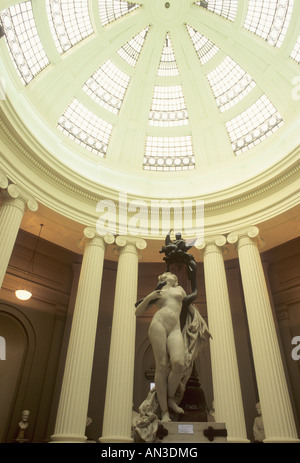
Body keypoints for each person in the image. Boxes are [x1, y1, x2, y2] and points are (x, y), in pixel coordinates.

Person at [135, 272, 198, 422]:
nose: (168, 276)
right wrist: (150, 297)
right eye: (165, 275)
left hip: (175, 328)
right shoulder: (159, 292)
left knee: (178, 364)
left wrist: (196, 319)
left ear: (175, 279)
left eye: (170, 275)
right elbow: (138, 311)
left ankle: (170, 398)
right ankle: (164, 412)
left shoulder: (180, 290)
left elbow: (190, 303)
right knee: (161, 365)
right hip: (158, 325)